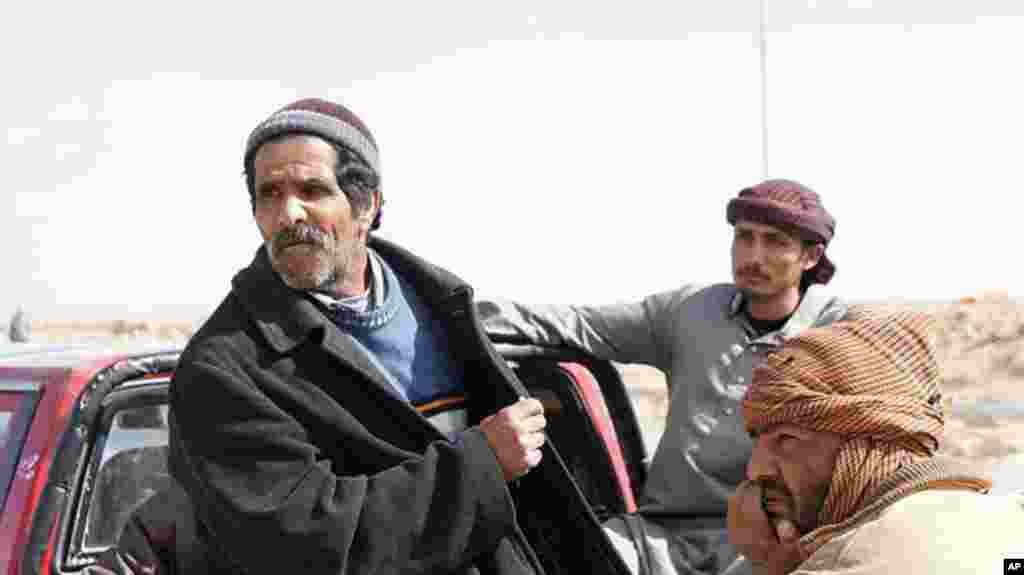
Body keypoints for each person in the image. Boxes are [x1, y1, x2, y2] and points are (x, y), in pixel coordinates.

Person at [167, 98, 629, 575]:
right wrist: (482, 465)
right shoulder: (223, 370)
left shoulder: (442, 307)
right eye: (269, 194)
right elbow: (302, 546)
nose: (288, 214)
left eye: (312, 190)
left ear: (366, 204)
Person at [478, 179, 847, 575]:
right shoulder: (691, 311)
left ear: (811, 256)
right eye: (745, 237)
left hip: (767, 540)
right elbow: (576, 324)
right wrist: (457, 315)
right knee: (559, 557)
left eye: (775, 242)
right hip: (660, 536)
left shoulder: (838, 334)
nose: (754, 255)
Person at [727, 307, 1023, 574]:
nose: (756, 469)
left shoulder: (848, 562)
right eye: (758, 440)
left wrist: (769, 564)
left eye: (787, 440)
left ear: (868, 444)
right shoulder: (1004, 518)